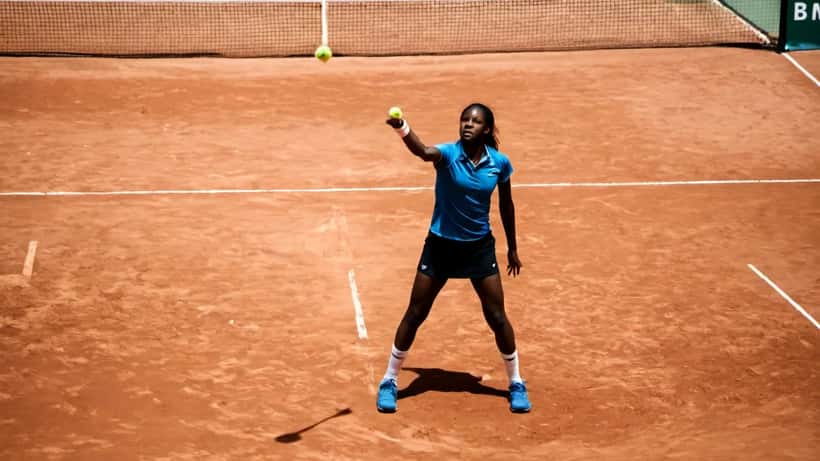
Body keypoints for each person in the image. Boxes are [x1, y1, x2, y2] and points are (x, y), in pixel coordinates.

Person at [377, 103, 531, 414]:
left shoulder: (499, 164)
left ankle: (516, 382)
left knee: (497, 317)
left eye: (475, 121)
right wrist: (401, 126)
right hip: (440, 248)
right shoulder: (447, 155)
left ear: (486, 129)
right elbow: (423, 151)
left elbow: (507, 205)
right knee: (415, 313)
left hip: (478, 249)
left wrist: (512, 248)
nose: (468, 125)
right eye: (464, 119)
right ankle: (390, 380)